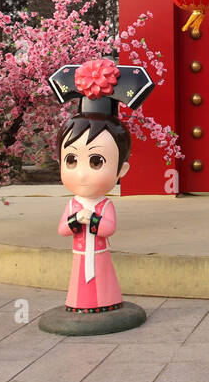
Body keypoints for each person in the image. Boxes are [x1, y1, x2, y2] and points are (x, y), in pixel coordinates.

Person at [42, 58, 155, 334]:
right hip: (80, 253)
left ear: (121, 170)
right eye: (71, 161)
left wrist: (90, 218)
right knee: (78, 280)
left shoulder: (104, 204)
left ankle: (106, 303)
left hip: (100, 253)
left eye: (96, 162)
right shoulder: (72, 203)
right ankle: (78, 305)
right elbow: (61, 229)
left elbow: (109, 227)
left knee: (103, 280)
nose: (82, 174)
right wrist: (74, 220)